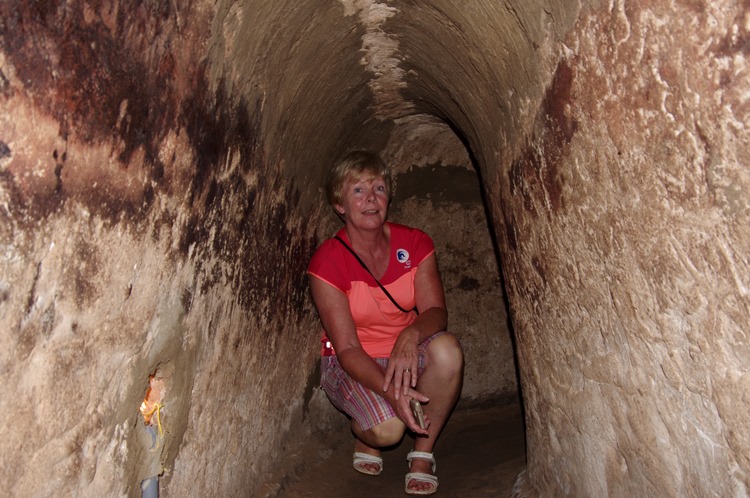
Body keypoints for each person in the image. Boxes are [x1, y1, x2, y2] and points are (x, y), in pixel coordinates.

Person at [307, 150, 464, 495]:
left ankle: (423, 453)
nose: (370, 199)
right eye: (358, 191)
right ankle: (364, 431)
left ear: (389, 197)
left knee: (448, 350)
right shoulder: (328, 261)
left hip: (406, 352)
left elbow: (436, 312)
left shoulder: (416, 244)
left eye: (378, 188)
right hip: (353, 361)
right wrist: (392, 392)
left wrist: (410, 336)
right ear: (340, 204)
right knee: (388, 430)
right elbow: (347, 348)